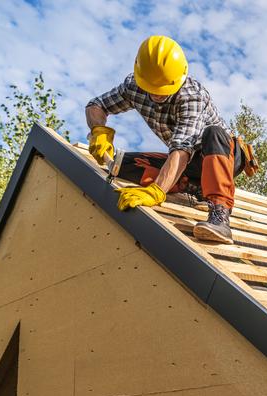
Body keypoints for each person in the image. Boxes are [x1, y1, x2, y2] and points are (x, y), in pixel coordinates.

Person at [85, 35, 241, 243]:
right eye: (152, 89)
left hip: (220, 156)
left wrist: (157, 191)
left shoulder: (192, 96)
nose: (158, 95)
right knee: (120, 164)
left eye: (164, 90)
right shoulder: (134, 86)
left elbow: (181, 149)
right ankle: (196, 188)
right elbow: (96, 105)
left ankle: (220, 215)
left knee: (213, 133)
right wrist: (99, 130)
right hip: (189, 164)